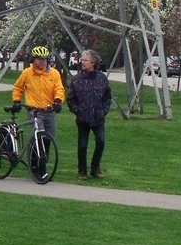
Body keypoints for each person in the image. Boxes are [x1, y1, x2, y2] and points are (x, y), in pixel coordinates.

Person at [66, 48, 112, 180]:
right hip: (83, 118)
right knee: (82, 145)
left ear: (93, 62)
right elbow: (70, 99)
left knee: (101, 141)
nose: (83, 62)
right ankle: (82, 171)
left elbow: (107, 96)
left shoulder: (102, 78)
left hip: (98, 118)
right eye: (82, 60)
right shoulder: (76, 80)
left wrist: (103, 111)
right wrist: (77, 110)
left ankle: (95, 168)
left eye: (85, 60)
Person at [11, 45, 66, 150]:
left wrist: (58, 101)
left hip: (49, 110)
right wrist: (16, 101)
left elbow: (59, 89)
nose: (42, 61)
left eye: (44, 59)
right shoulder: (27, 73)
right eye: (39, 59)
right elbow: (17, 88)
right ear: (34, 59)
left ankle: (43, 160)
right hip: (34, 111)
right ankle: (35, 163)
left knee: (49, 138)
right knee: (38, 137)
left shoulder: (54, 73)